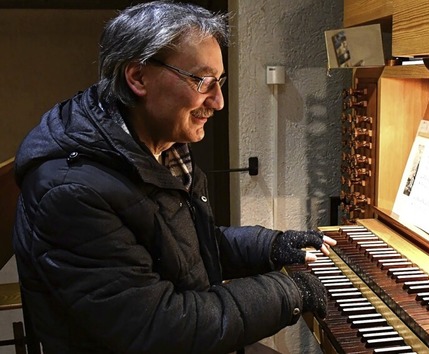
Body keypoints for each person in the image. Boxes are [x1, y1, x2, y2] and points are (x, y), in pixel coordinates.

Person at [11, 1, 336, 353]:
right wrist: (289, 292)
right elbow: (160, 327)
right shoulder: (73, 192)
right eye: (203, 81)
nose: (218, 101)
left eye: (220, 81)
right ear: (137, 77)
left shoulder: (157, 147)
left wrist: (272, 246)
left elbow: (188, 247)